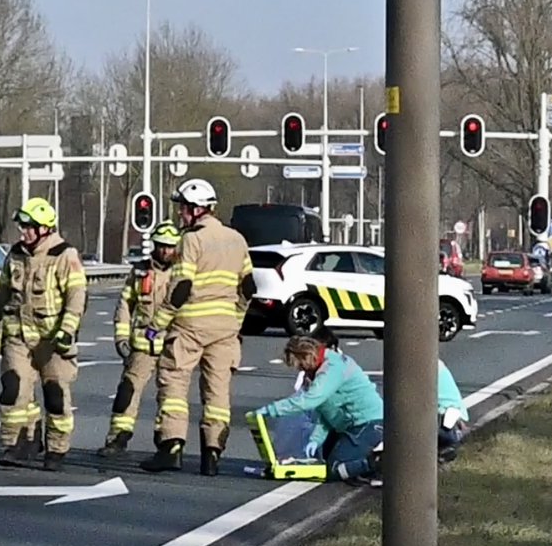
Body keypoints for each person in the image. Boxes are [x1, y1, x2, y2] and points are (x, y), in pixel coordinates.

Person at [143, 178, 254, 477]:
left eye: (183, 208)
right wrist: (237, 322)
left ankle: (172, 447)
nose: (180, 214)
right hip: (225, 328)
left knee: (174, 382)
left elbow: (181, 288)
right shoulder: (237, 239)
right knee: (217, 391)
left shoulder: (190, 240)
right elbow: (248, 287)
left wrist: (157, 324)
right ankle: (212, 454)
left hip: (190, 325)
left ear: (195, 209)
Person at [0, 198, 87, 471]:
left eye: (29, 227)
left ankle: (56, 449)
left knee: (55, 395)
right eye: (22, 226)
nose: (23, 231)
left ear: (44, 229)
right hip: (18, 336)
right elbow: (2, 294)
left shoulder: (64, 254)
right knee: (14, 390)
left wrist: (67, 330)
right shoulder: (16, 254)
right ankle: (19, 443)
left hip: (52, 339)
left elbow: (76, 295)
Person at [250, 336, 384, 483]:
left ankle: (378, 463)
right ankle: (367, 463)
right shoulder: (326, 367)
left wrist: (271, 410)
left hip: (367, 423)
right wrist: (316, 439)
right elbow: (327, 411)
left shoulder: (332, 368)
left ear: (306, 357)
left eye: (301, 366)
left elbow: (309, 400)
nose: (302, 371)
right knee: (329, 462)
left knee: (334, 468)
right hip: (354, 424)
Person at [100, 221, 183, 458]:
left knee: (171, 397)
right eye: (161, 246)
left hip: (172, 344)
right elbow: (126, 304)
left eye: (170, 247)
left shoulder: (182, 273)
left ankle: (167, 441)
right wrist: (121, 338)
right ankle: (118, 437)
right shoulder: (139, 272)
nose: (165, 251)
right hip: (142, 347)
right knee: (127, 391)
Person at [437, 358, 469, 462]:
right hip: (454, 419)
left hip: (447, 421)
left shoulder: (424, 368)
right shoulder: (435, 364)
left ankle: (445, 447)